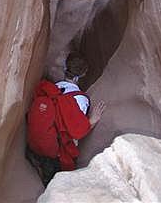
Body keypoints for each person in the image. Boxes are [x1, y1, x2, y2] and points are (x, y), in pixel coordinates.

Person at [26, 52, 106, 186]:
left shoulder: (52, 88)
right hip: (55, 154)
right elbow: (76, 131)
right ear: (83, 74)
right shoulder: (79, 99)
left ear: (65, 69)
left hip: (35, 145)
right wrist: (92, 120)